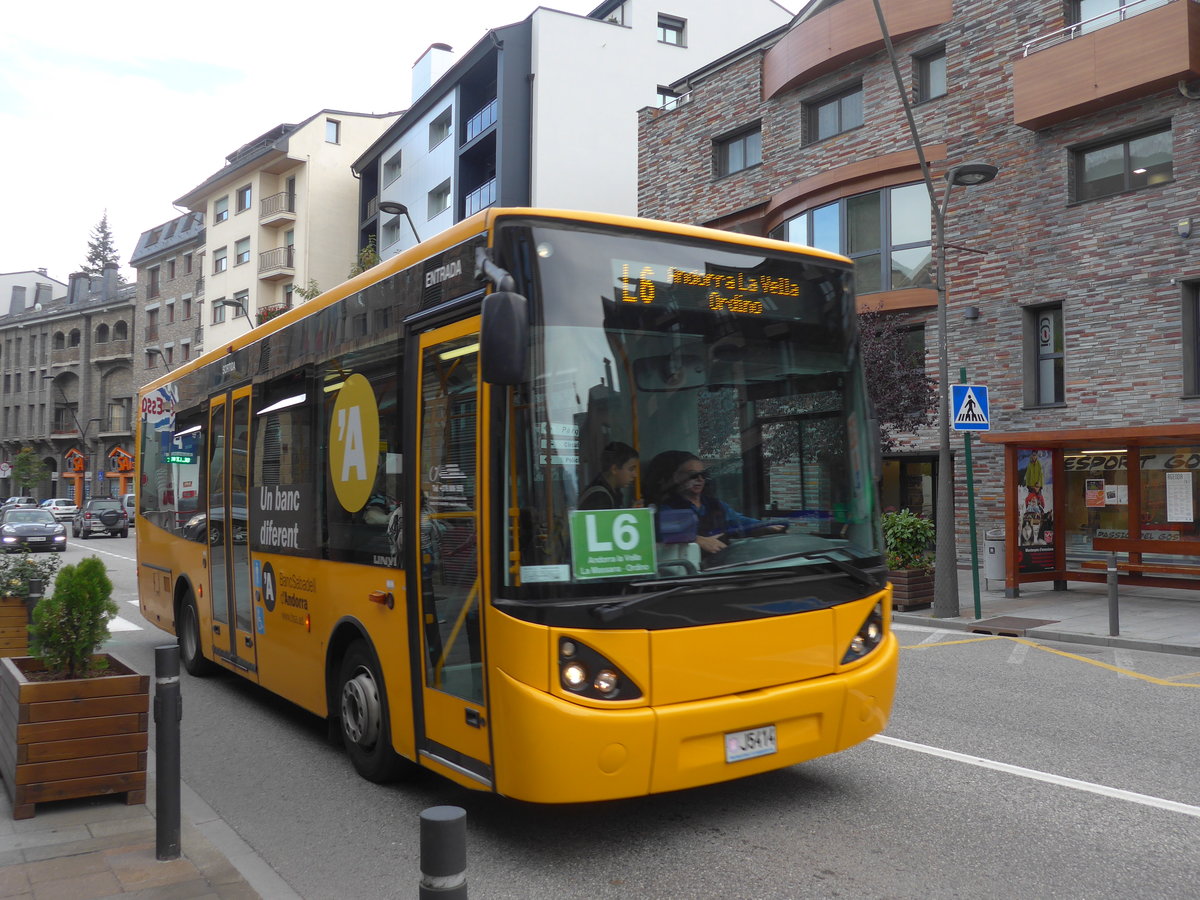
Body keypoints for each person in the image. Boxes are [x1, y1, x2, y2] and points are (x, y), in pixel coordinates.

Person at [645, 451, 785, 556]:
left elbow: (739, 521)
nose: (699, 479)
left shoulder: (715, 505)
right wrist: (697, 539)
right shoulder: (667, 508)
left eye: (703, 475)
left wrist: (765, 526)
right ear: (675, 477)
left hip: (722, 565)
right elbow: (664, 532)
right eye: (692, 475)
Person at [578, 442, 640, 510]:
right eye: (631, 469)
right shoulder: (599, 498)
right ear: (614, 469)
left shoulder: (614, 492)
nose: (635, 475)